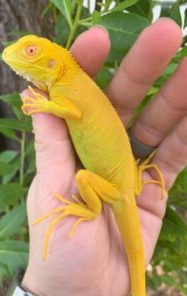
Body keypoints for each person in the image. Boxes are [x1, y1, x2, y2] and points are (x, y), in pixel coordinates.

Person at [20, 18, 186, 296]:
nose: (26, 55)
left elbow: (73, 113)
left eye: (32, 51)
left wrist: (46, 105)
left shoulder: (64, 88)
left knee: (84, 176)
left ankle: (92, 209)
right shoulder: (67, 82)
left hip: (114, 192)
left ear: (52, 63)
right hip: (125, 186)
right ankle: (135, 179)